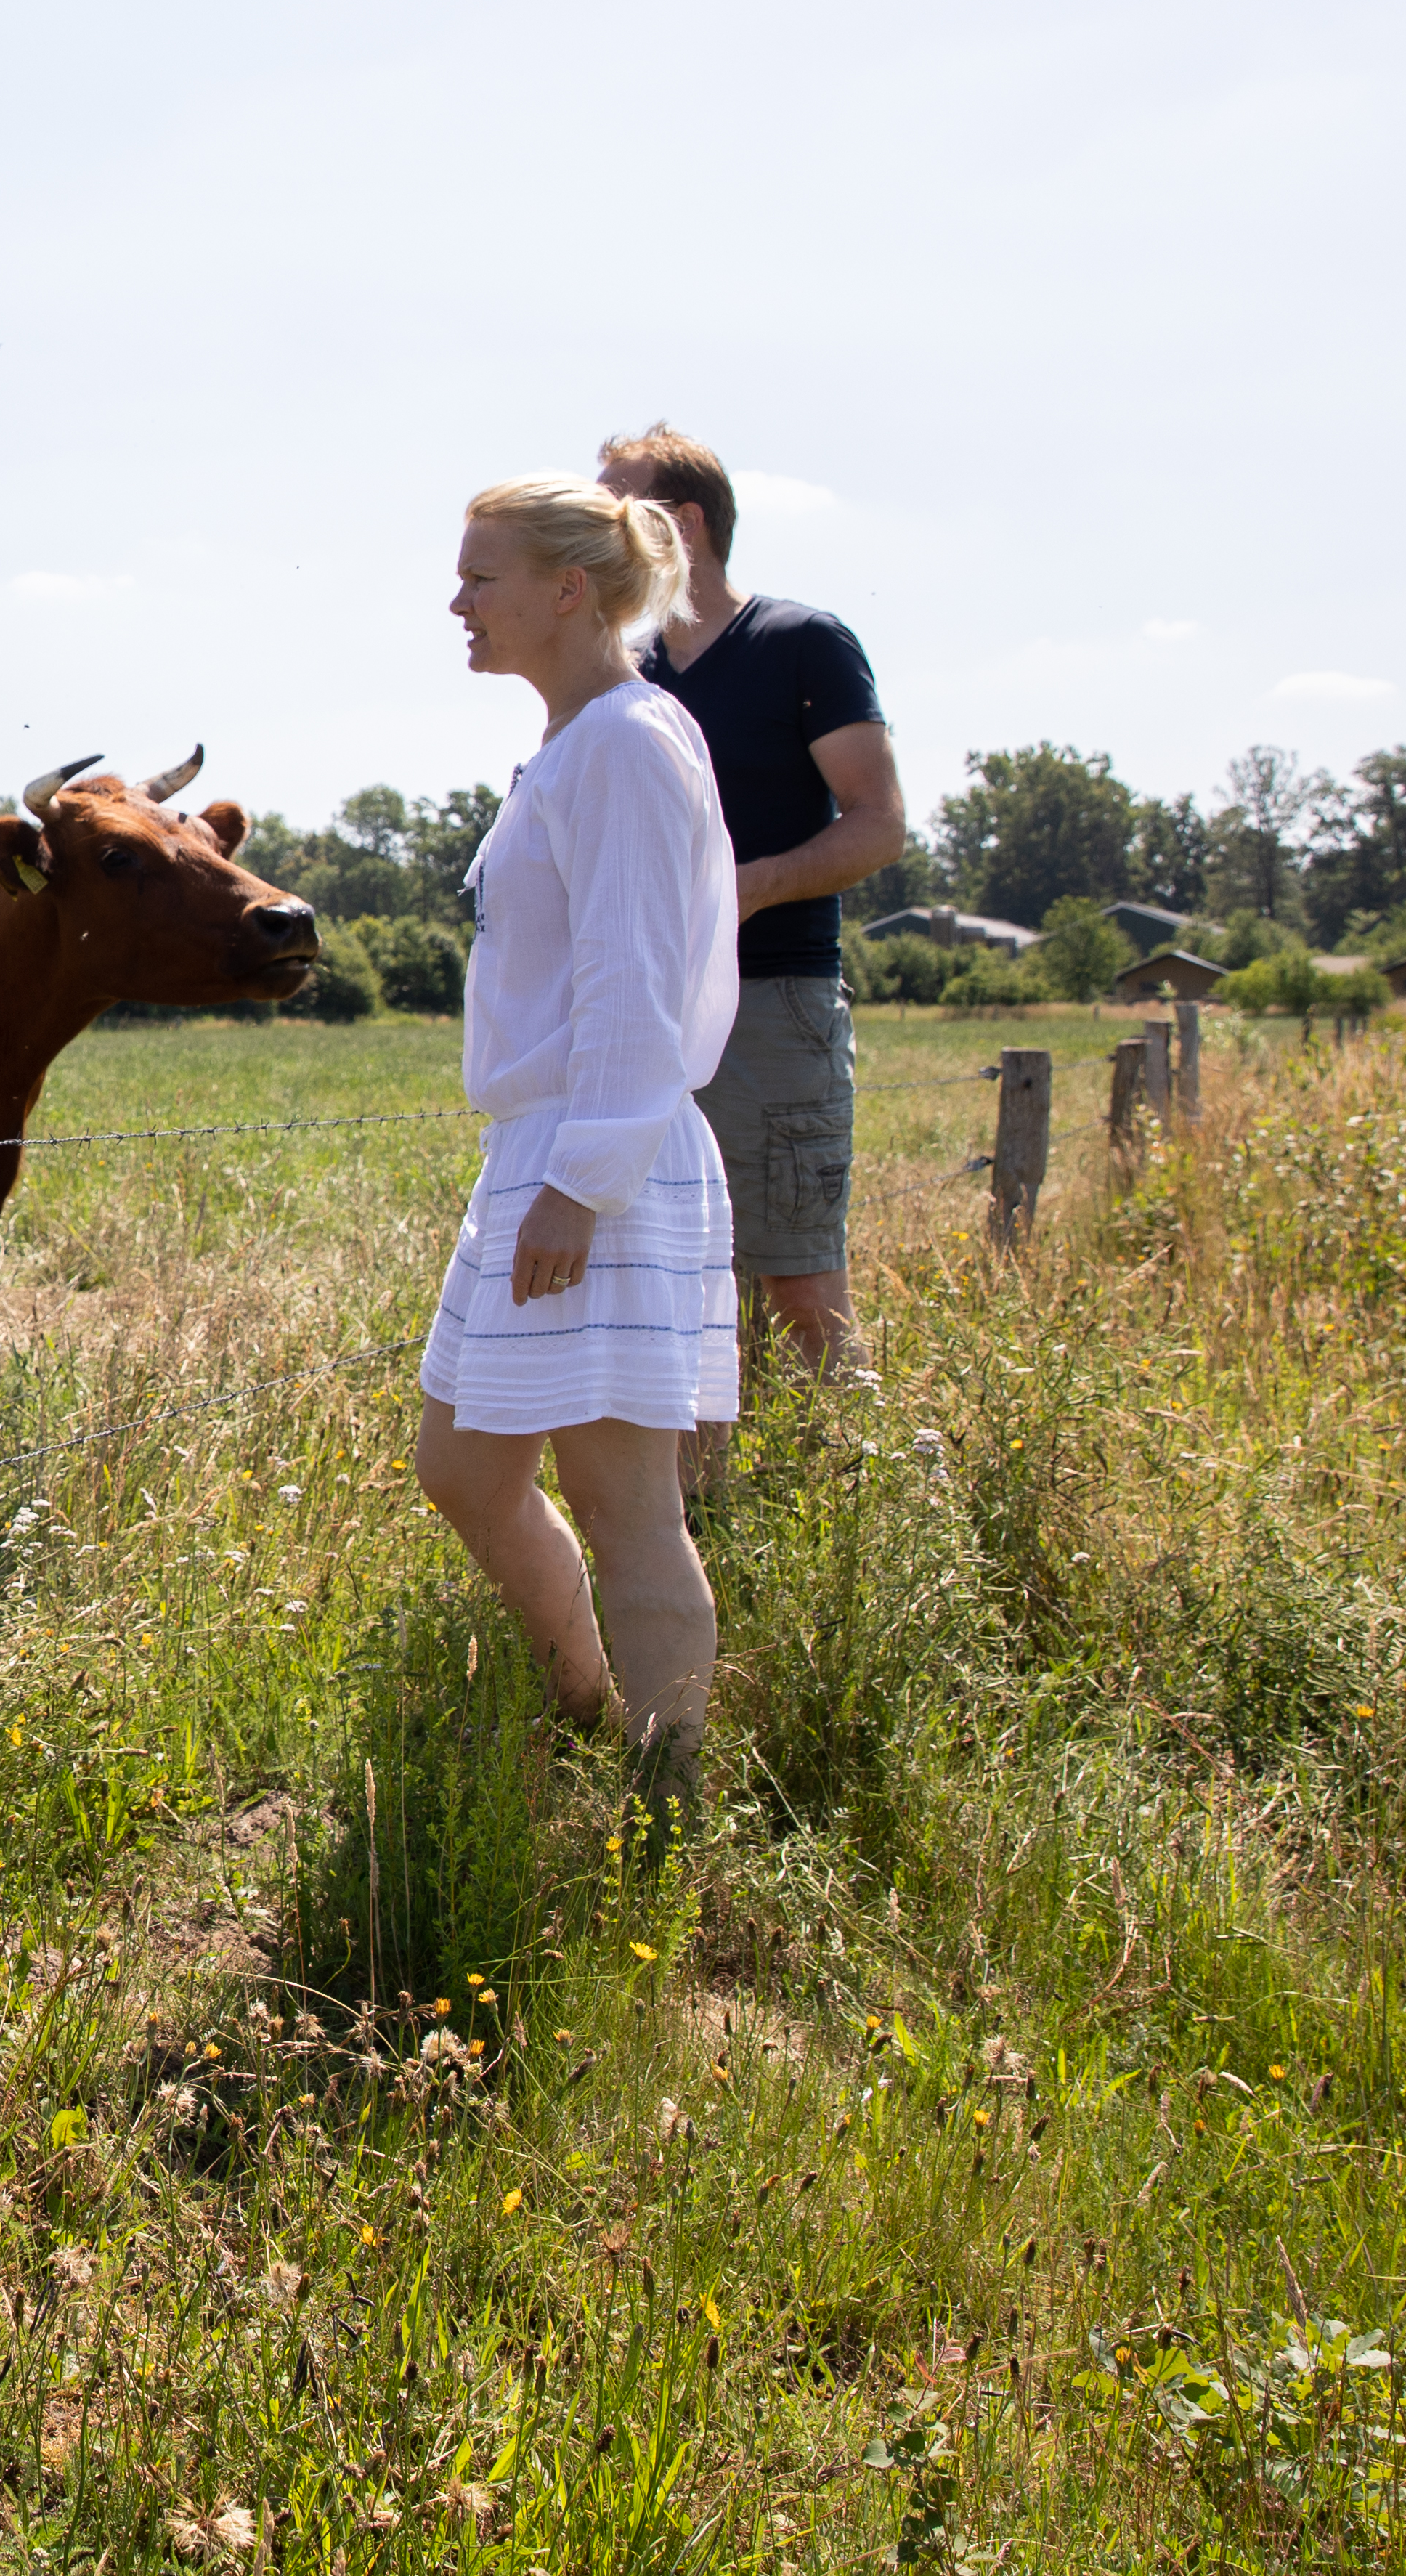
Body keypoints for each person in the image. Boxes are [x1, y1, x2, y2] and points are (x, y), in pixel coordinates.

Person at [412, 474, 738, 1817]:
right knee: (463, 1462)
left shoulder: (624, 742)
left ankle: (668, 1804)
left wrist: (583, 1183)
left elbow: (635, 983)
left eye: (480, 576)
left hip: (598, 1159)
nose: (457, 601)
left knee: (628, 1508)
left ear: (566, 590)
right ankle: (586, 1708)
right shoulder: (572, 746)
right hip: (547, 1154)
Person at [593, 427, 901, 1377]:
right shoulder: (628, 677)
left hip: (774, 1004)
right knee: (676, 1279)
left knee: (799, 1285)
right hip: (652, 1015)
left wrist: (750, 890)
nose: (591, 529)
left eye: (614, 508)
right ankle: (706, 1510)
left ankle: (859, 1492)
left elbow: (878, 824)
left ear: (681, 525)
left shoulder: (801, 645)